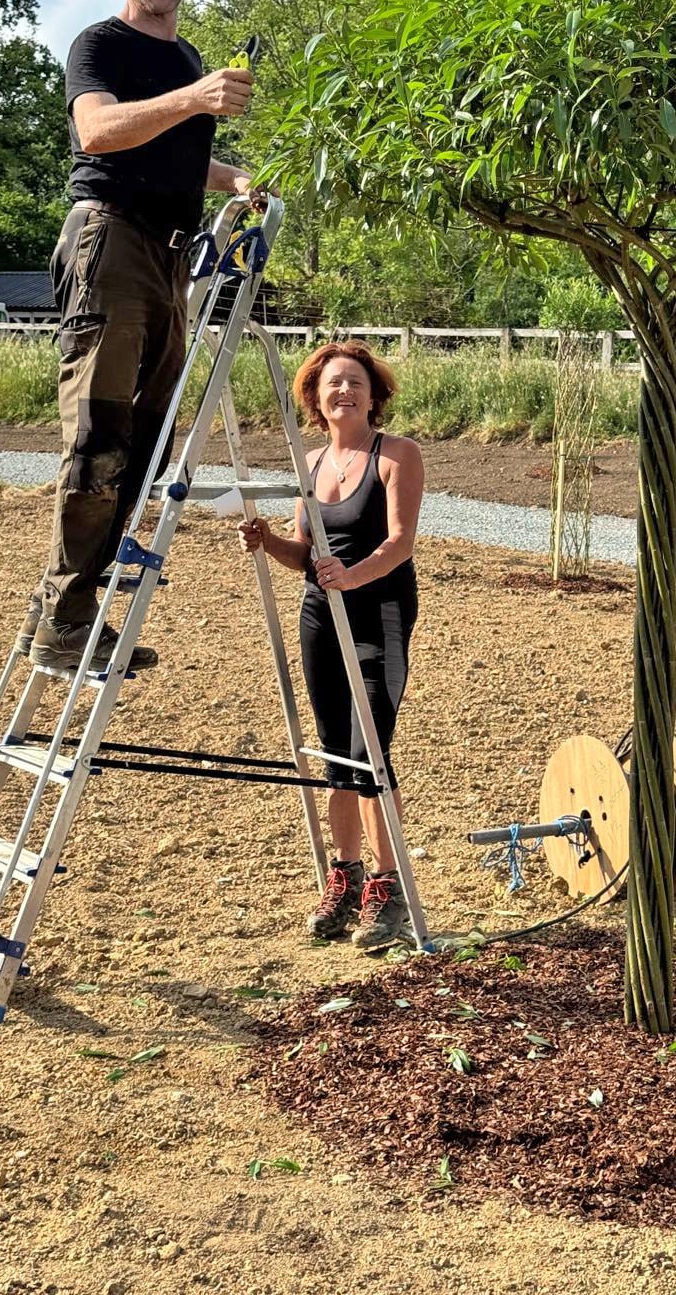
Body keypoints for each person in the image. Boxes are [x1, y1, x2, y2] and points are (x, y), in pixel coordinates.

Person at [19, 0, 261, 674]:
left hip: (171, 256)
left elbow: (175, 156)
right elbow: (99, 133)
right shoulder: (101, 45)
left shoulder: (187, 57)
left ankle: (66, 609)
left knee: (146, 445)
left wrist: (234, 178)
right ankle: (63, 620)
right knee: (98, 438)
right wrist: (195, 101)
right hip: (110, 239)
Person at [237, 342, 424, 951]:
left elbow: (400, 543)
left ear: (374, 396)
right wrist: (267, 541)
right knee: (335, 752)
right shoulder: (310, 464)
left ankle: (387, 886)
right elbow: (304, 554)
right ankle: (344, 876)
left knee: (370, 748)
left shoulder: (397, 456)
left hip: (379, 613)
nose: (344, 392)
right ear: (316, 398)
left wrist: (354, 575)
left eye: (355, 383)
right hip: (322, 616)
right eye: (332, 384)